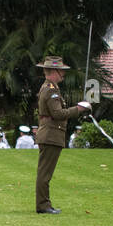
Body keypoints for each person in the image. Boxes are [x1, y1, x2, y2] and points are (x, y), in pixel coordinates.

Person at [33, 55, 88, 214]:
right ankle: (43, 205)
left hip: (50, 134)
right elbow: (57, 113)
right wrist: (79, 109)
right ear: (53, 71)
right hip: (51, 135)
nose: (63, 74)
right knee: (45, 174)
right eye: (61, 71)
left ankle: (45, 204)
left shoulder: (49, 88)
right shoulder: (51, 90)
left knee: (45, 173)